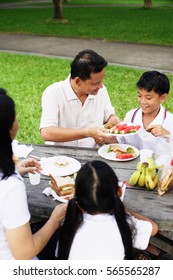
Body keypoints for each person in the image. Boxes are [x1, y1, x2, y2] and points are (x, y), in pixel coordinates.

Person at [0, 88, 67, 260]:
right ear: (8, 128)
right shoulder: (10, 186)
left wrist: (16, 170)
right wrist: (54, 220)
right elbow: (23, 253)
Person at [55, 160, 158, 260]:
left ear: (75, 194)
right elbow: (153, 229)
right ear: (119, 192)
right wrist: (123, 210)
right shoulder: (127, 222)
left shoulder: (68, 224)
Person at [40, 49, 120, 148]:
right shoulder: (53, 92)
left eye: (101, 81)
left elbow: (109, 116)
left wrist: (113, 121)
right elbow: (47, 133)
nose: (101, 86)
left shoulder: (101, 91)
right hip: (60, 157)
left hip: (93, 156)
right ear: (78, 81)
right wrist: (87, 132)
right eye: (96, 83)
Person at [115, 71, 173, 153]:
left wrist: (167, 135)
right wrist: (104, 137)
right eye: (139, 96)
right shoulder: (131, 115)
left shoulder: (170, 121)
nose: (142, 101)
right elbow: (120, 141)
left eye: (148, 98)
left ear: (163, 98)